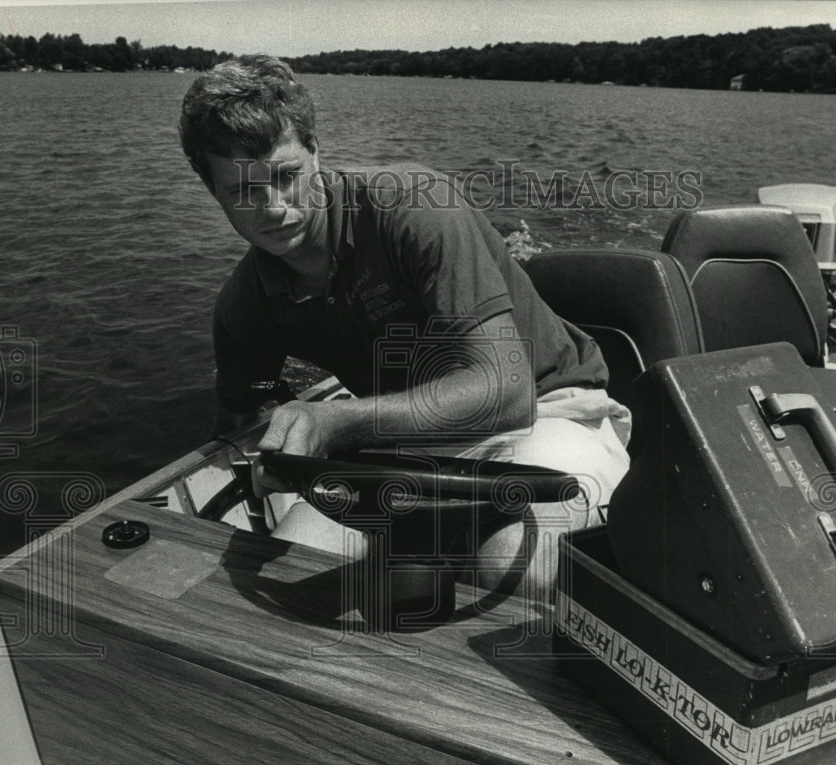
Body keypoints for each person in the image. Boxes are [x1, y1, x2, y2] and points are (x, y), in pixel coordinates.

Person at [179, 54, 630, 602]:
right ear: (213, 193)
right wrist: (274, 441)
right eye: (244, 192)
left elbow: (506, 393)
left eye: (287, 177)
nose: (273, 209)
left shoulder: (412, 204)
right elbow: (240, 420)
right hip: (402, 446)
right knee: (295, 570)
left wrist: (333, 422)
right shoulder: (243, 306)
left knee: (515, 573)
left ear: (317, 153)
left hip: (547, 409)